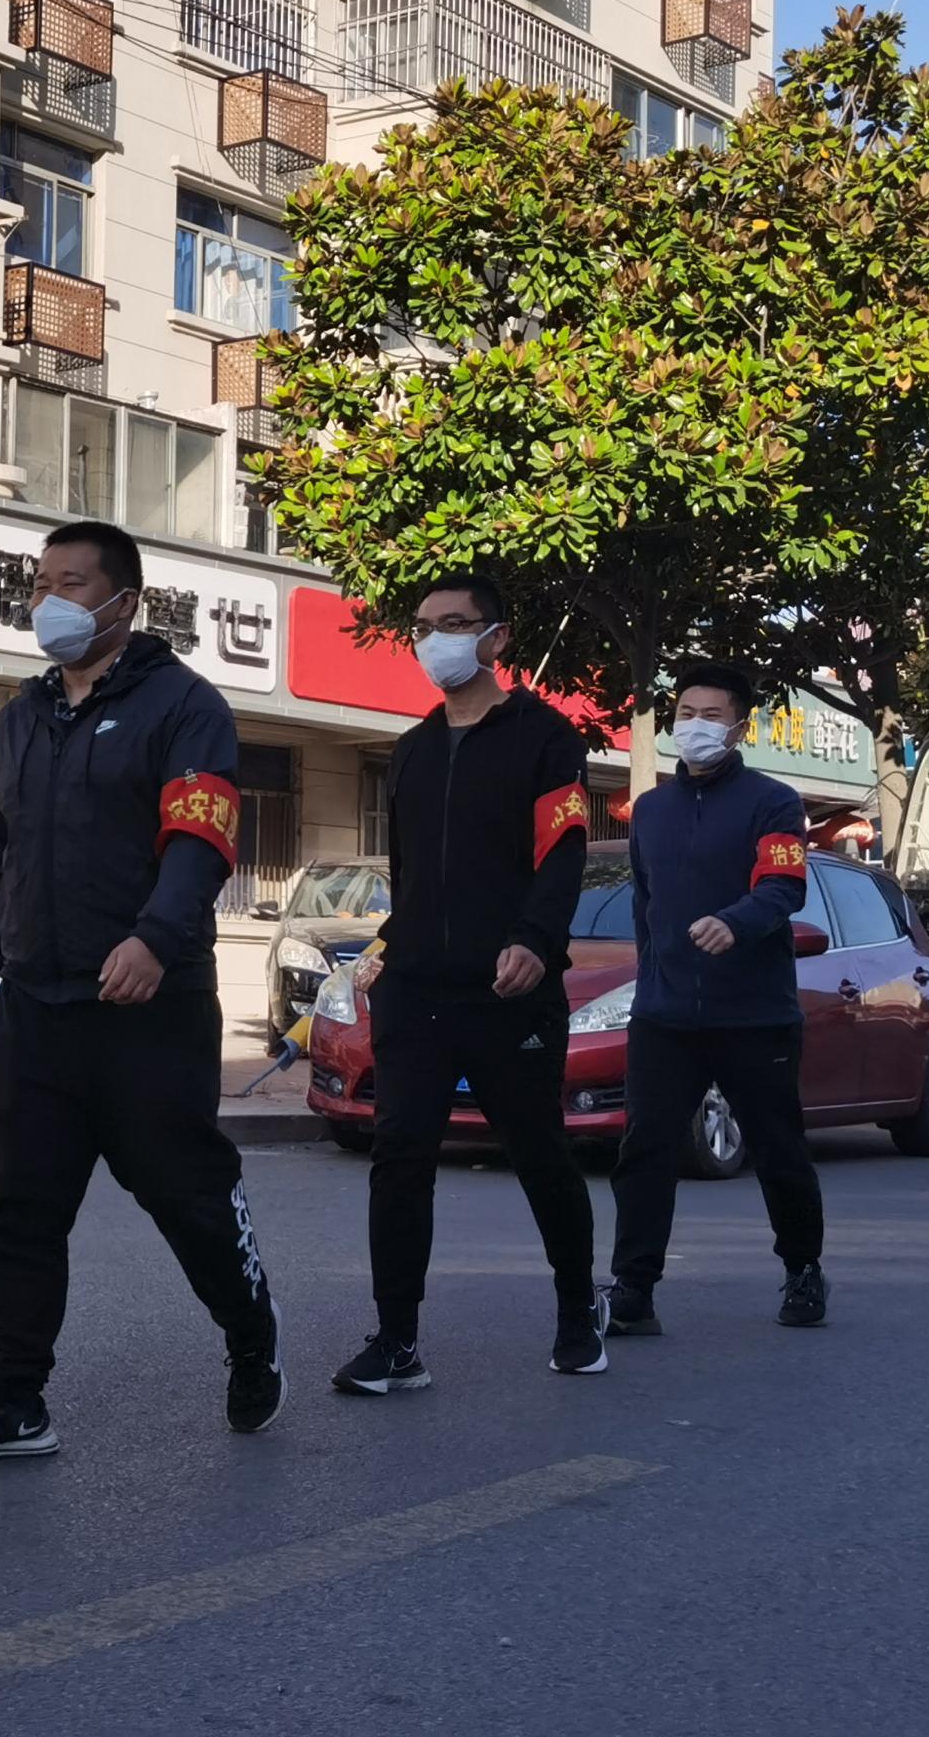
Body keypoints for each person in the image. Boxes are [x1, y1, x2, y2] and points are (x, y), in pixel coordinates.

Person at [0, 523, 282, 1463]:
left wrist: (155, 938)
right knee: (16, 1209)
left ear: (125, 602)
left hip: (148, 1010)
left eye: (72, 583)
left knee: (186, 1197)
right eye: (41, 583)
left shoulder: (187, 707)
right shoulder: (20, 718)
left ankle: (250, 1335)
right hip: (34, 1009)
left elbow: (200, 839)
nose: (49, 600)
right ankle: (15, 1398)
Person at [336, 571, 606, 1394]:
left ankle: (577, 1308)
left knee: (538, 1152)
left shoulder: (546, 739)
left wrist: (535, 940)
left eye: (454, 624)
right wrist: (389, 946)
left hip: (509, 989)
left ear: (496, 638)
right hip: (417, 990)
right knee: (399, 1158)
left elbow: (562, 854)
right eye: (424, 627)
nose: (435, 641)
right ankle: (397, 1341)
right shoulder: (411, 751)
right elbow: (411, 875)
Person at [605, 661, 826, 1333]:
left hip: (755, 1015)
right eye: (685, 713)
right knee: (645, 1151)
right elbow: (646, 906)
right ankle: (634, 1289)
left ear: (738, 727)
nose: (694, 726)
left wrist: (736, 922)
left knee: (778, 1149)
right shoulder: (650, 810)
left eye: (710, 715)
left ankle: (803, 1269)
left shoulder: (774, 802)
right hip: (665, 1015)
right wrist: (651, 980)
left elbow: (784, 887)